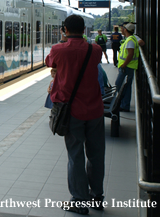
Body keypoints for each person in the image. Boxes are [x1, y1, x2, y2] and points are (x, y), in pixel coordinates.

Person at [45, 14, 105, 214]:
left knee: (75, 155)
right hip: (95, 109)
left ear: (64, 29)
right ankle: (97, 196)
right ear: (84, 30)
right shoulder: (94, 49)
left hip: (71, 112)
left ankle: (79, 200)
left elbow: (49, 62)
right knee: (96, 155)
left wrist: (64, 41)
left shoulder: (58, 50)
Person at [115, 22, 140, 112]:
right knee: (126, 86)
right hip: (129, 66)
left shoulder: (130, 40)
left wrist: (124, 65)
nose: (121, 30)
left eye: (123, 28)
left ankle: (124, 105)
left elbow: (130, 54)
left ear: (126, 30)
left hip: (127, 67)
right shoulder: (131, 39)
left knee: (119, 84)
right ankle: (124, 105)